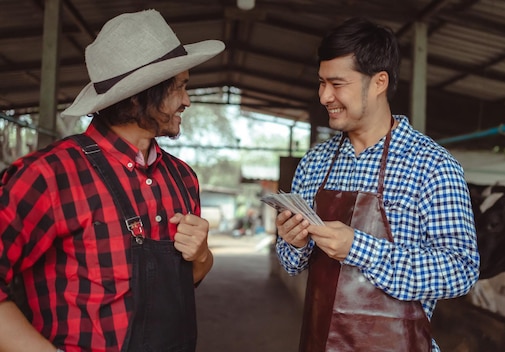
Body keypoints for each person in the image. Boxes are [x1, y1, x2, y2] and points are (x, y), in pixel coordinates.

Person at [0, 9, 225, 352]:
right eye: (179, 88)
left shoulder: (182, 178)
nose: (187, 100)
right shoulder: (48, 176)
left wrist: (202, 256)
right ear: (138, 97)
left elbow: (176, 290)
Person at [274, 17, 479, 352]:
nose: (325, 96)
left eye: (337, 84)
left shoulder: (431, 165)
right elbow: (290, 263)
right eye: (321, 82)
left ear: (379, 81)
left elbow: (461, 270)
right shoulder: (315, 163)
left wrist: (359, 249)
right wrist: (293, 243)